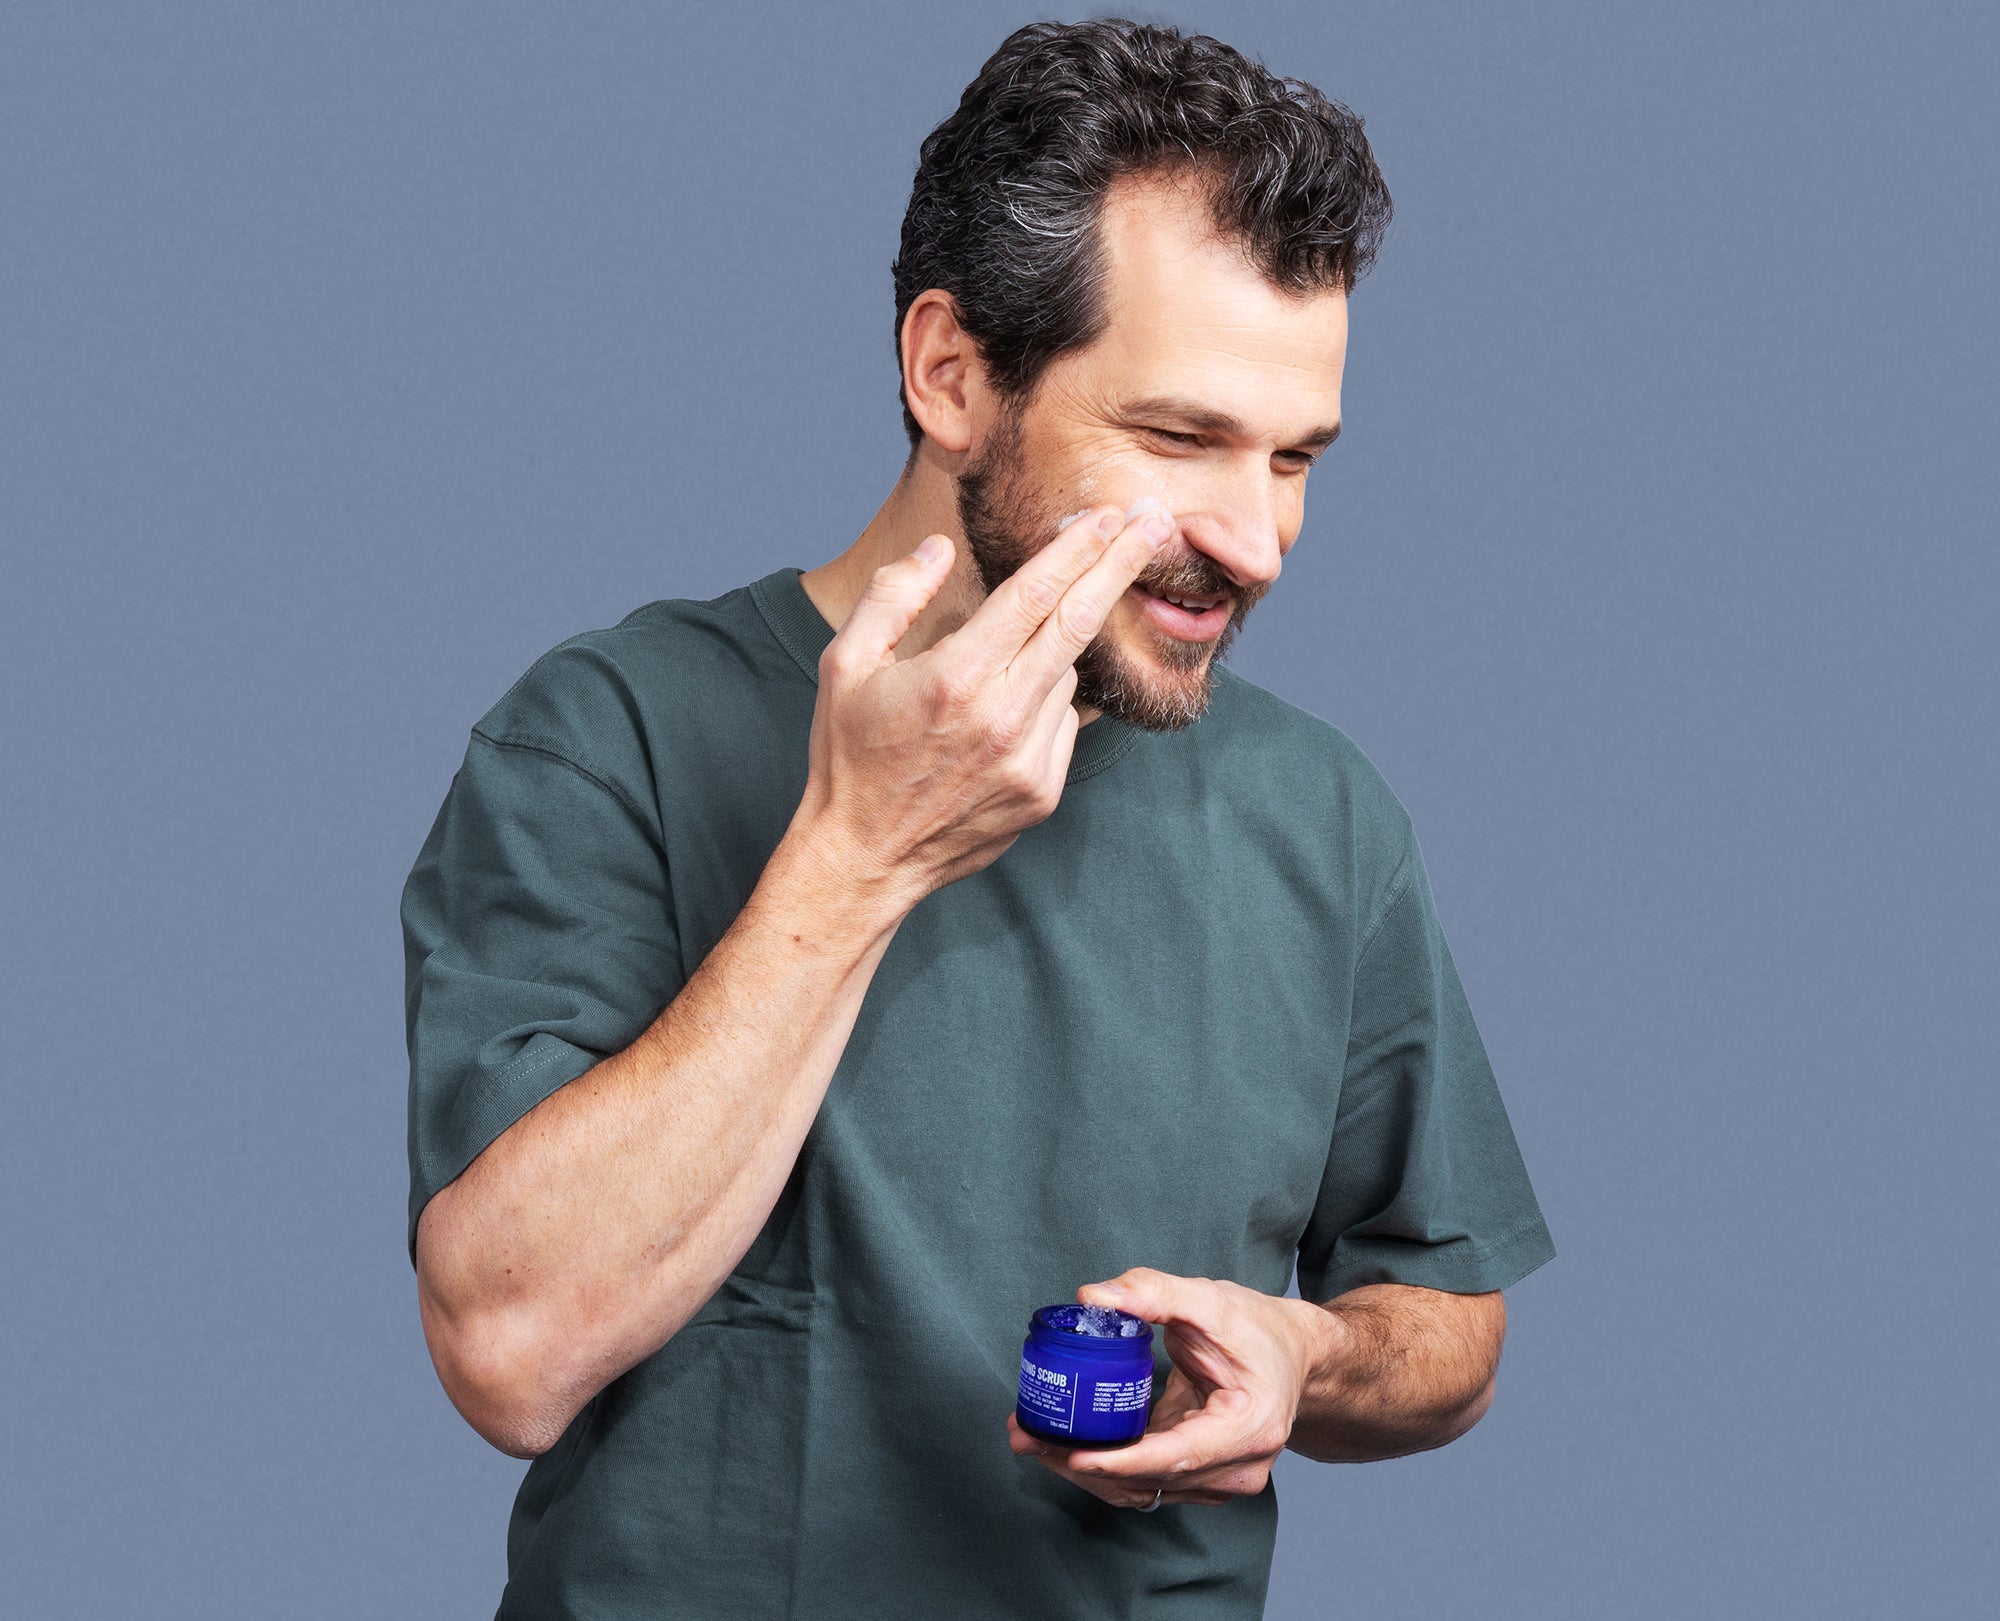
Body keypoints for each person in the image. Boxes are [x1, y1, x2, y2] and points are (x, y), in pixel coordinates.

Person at [401, 16, 1554, 1618]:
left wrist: (1311, 1354)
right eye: (1179, 438)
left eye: (1297, 456)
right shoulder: (609, 738)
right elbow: (509, 1350)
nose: (1261, 538)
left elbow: (1448, 1320)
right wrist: (859, 852)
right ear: (952, 373)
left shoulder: (1324, 813)